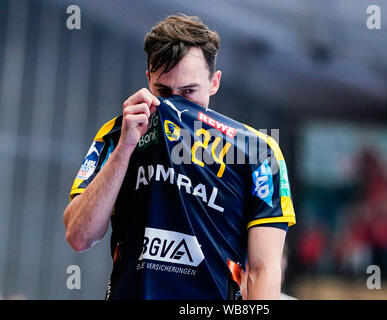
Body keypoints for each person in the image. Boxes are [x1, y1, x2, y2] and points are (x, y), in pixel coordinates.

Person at [63, 14, 296, 300]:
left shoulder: (258, 151)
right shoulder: (116, 134)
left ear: (214, 82)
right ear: (148, 79)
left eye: (188, 92)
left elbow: (263, 269)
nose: (176, 105)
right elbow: (78, 235)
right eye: (163, 91)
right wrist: (125, 148)